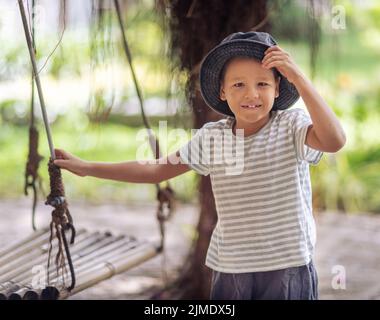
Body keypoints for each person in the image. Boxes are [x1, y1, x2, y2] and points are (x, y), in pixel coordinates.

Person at [54, 31, 346, 300]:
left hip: (288, 266)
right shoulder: (213, 137)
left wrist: (300, 79)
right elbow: (156, 170)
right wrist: (88, 167)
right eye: (238, 84)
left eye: (262, 84)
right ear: (222, 91)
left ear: (278, 86)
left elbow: (335, 140)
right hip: (233, 269)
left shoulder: (292, 126)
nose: (251, 94)